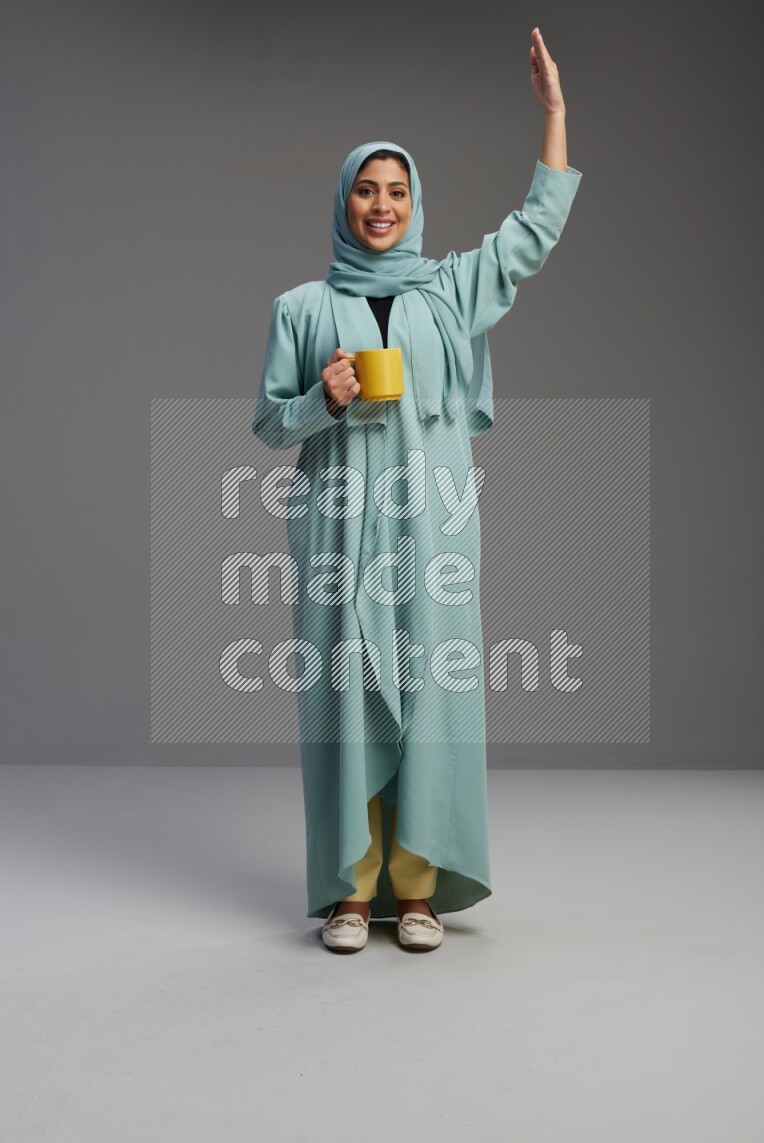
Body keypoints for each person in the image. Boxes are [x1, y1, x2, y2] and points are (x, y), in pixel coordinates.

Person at [251, 27, 582, 952]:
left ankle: (420, 886)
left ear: (416, 203)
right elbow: (268, 424)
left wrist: (554, 116)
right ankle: (352, 892)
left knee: (432, 696)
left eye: (397, 191)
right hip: (337, 535)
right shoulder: (303, 310)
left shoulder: (450, 293)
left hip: (433, 537)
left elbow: (531, 237)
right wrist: (321, 397)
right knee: (350, 695)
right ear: (343, 202)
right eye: (367, 189)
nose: (382, 205)